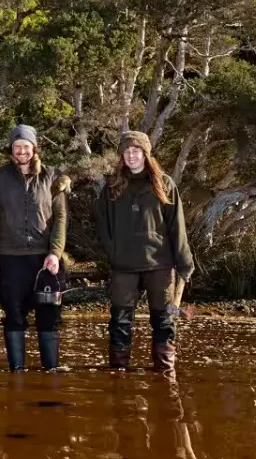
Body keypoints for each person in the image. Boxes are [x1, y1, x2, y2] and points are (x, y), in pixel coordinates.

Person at [96, 130, 194, 372]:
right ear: (122, 155)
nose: (131, 155)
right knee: (120, 321)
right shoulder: (111, 187)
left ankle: (164, 373)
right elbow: (101, 224)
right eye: (127, 151)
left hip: (160, 265)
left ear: (146, 154)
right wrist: (113, 251)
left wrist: (185, 263)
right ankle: (118, 373)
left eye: (136, 150)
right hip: (123, 266)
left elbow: (176, 226)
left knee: (165, 320)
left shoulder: (165, 183)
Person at [0, 125, 71, 371]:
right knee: (14, 316)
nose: (22, 151)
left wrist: (55, 253)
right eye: (17, 146)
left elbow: (60, 219)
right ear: (11, 149)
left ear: (34, 148)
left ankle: (50, 372)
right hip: (10, 259)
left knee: (49, 318)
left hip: (45, 260)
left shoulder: (53, 177)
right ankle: (17, 373)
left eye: (26, 146)